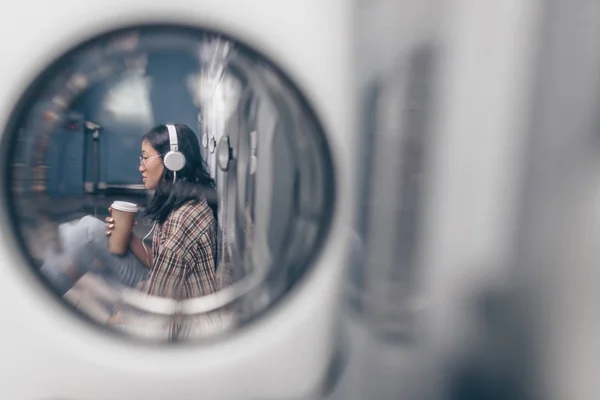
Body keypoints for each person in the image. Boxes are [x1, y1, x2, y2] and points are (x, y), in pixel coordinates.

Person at [41, 123, 219, 300]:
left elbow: (158, 295)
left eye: (145, 158)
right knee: (81, 231)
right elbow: (159, 260)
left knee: (87, 232)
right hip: (162, 285)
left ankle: (40, 293)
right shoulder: (185, 201)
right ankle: (44, 287)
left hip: (170, 306)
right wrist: (129, 236)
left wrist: (113, 302)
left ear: (172, 161)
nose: (140, 167)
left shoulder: (184, 218)